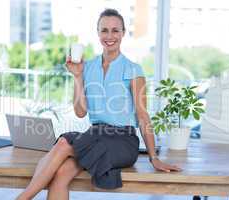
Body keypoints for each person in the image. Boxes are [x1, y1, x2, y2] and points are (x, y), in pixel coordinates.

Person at [17, 8, 181, 200]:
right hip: (94, 136)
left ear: (123, 33)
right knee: (61, 175)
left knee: (63, 143)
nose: (109, 36)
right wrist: (77, 77)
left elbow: (143, 116)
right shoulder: (88, 67)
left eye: (115, 30)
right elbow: (80, 112)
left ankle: (22, 198)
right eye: (104, 30)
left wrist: (154, 158)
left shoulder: (133, 70)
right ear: (98, 33)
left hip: (123, 141)